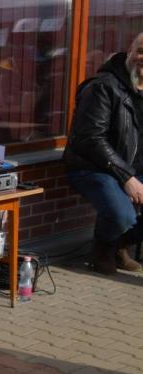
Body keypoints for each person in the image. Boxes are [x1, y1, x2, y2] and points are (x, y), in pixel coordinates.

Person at [62, 32, 143, 275]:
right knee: (122, 215)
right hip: (93, 167)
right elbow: (90, 139)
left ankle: (119, 243)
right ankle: (103, 247)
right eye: (141, 51)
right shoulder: (103, 86)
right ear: (129, 51)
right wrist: (127, 177)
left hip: (134, 168)